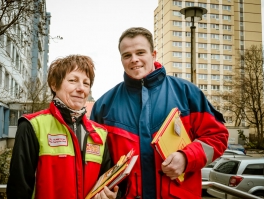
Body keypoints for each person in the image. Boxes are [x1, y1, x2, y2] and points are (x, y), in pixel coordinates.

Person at [90, 27, 229, 199]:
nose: (134, 59)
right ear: (121, 59)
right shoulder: (104, 105)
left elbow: (218, 136)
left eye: (140, 52)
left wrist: (187, 158)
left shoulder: (186, 93)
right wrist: (102, 191)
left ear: (153, 54)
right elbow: (95, 162)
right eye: (127, 55)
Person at [7, 55, 118, 199]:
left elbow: (107, 182)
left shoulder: (100, 133)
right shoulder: (32, 125)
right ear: (54, 84)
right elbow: (18, 189)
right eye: (73, 81)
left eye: (86, 83)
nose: (81, 89)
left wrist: (111, 194)